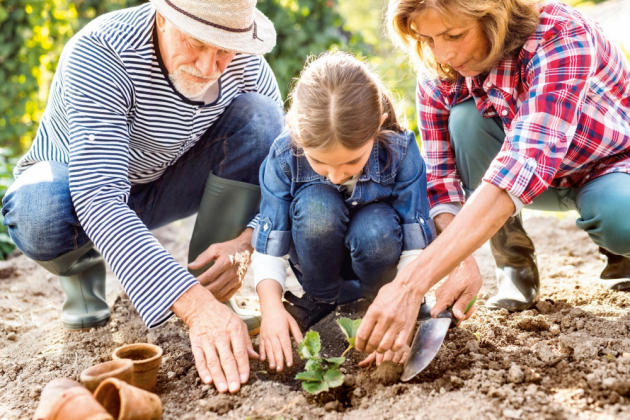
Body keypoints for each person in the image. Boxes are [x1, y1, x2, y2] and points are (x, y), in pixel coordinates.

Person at [2, 0, 285, 394]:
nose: (208, 68)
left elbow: (285, 175)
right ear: (163, 17)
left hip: (165, 181)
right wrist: (192, 308)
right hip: (79, 192)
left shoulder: (247, 67)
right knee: (38, 212)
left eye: (222, 49)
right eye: (195, 43)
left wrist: (245, 242)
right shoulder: (103, 52)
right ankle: (84, 277)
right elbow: (98, 196)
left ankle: (213, 284)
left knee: (262, 118)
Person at [355, 0, 630, 357]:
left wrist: (409, 285)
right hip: (532, 186)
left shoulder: (560, 32)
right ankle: (512, 260)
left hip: (607, 167)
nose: (444, 52)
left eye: (454, 34)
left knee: (621, 218)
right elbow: (442, 182)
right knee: (466, 122)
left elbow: (522, 164)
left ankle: (619, 252)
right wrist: (459, 262)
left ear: (494, 14)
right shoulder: (439, 65)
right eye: (429, 38)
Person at [250, 51, 437, 371]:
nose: (337, 175)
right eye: (320, 163)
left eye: (352, 162)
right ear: (297, 133)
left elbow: (415, 240)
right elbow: (270, 246)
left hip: (381, 262)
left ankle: (380, 301)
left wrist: (404, 297)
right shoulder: (283, 156)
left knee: (376, 227)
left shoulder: (401, 151)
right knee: (315, 206)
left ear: (377, 126)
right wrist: (270, 310)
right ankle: (321, 300)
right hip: (319, 266)